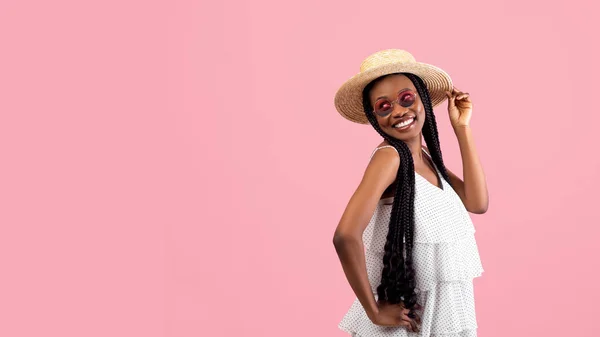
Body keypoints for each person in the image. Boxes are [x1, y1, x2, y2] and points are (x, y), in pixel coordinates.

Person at [332, 49, 489, 337]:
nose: (399, 111)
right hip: (408, 320)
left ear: (423, 99)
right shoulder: (390, 158)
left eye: (407, 98)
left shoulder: (426, 157)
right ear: (373, 116)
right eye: (383, 106)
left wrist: (462, 129)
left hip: (439, 315)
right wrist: (375, 312)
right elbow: (345, 235)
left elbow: (477, 203)